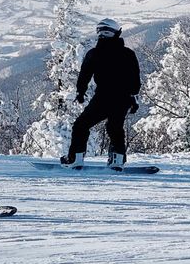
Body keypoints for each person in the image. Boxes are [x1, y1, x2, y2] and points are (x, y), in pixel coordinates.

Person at [60, 17, 141, 170]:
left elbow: (84, 75)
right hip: (123, 98)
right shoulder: (128, 54)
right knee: (115, 127)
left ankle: (75, 158)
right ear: (117, 33)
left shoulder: (94, 54)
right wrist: (134, 98)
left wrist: (80, 92)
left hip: (103, 98)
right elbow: (134, 78)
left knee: (81, 125)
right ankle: (117, 160)